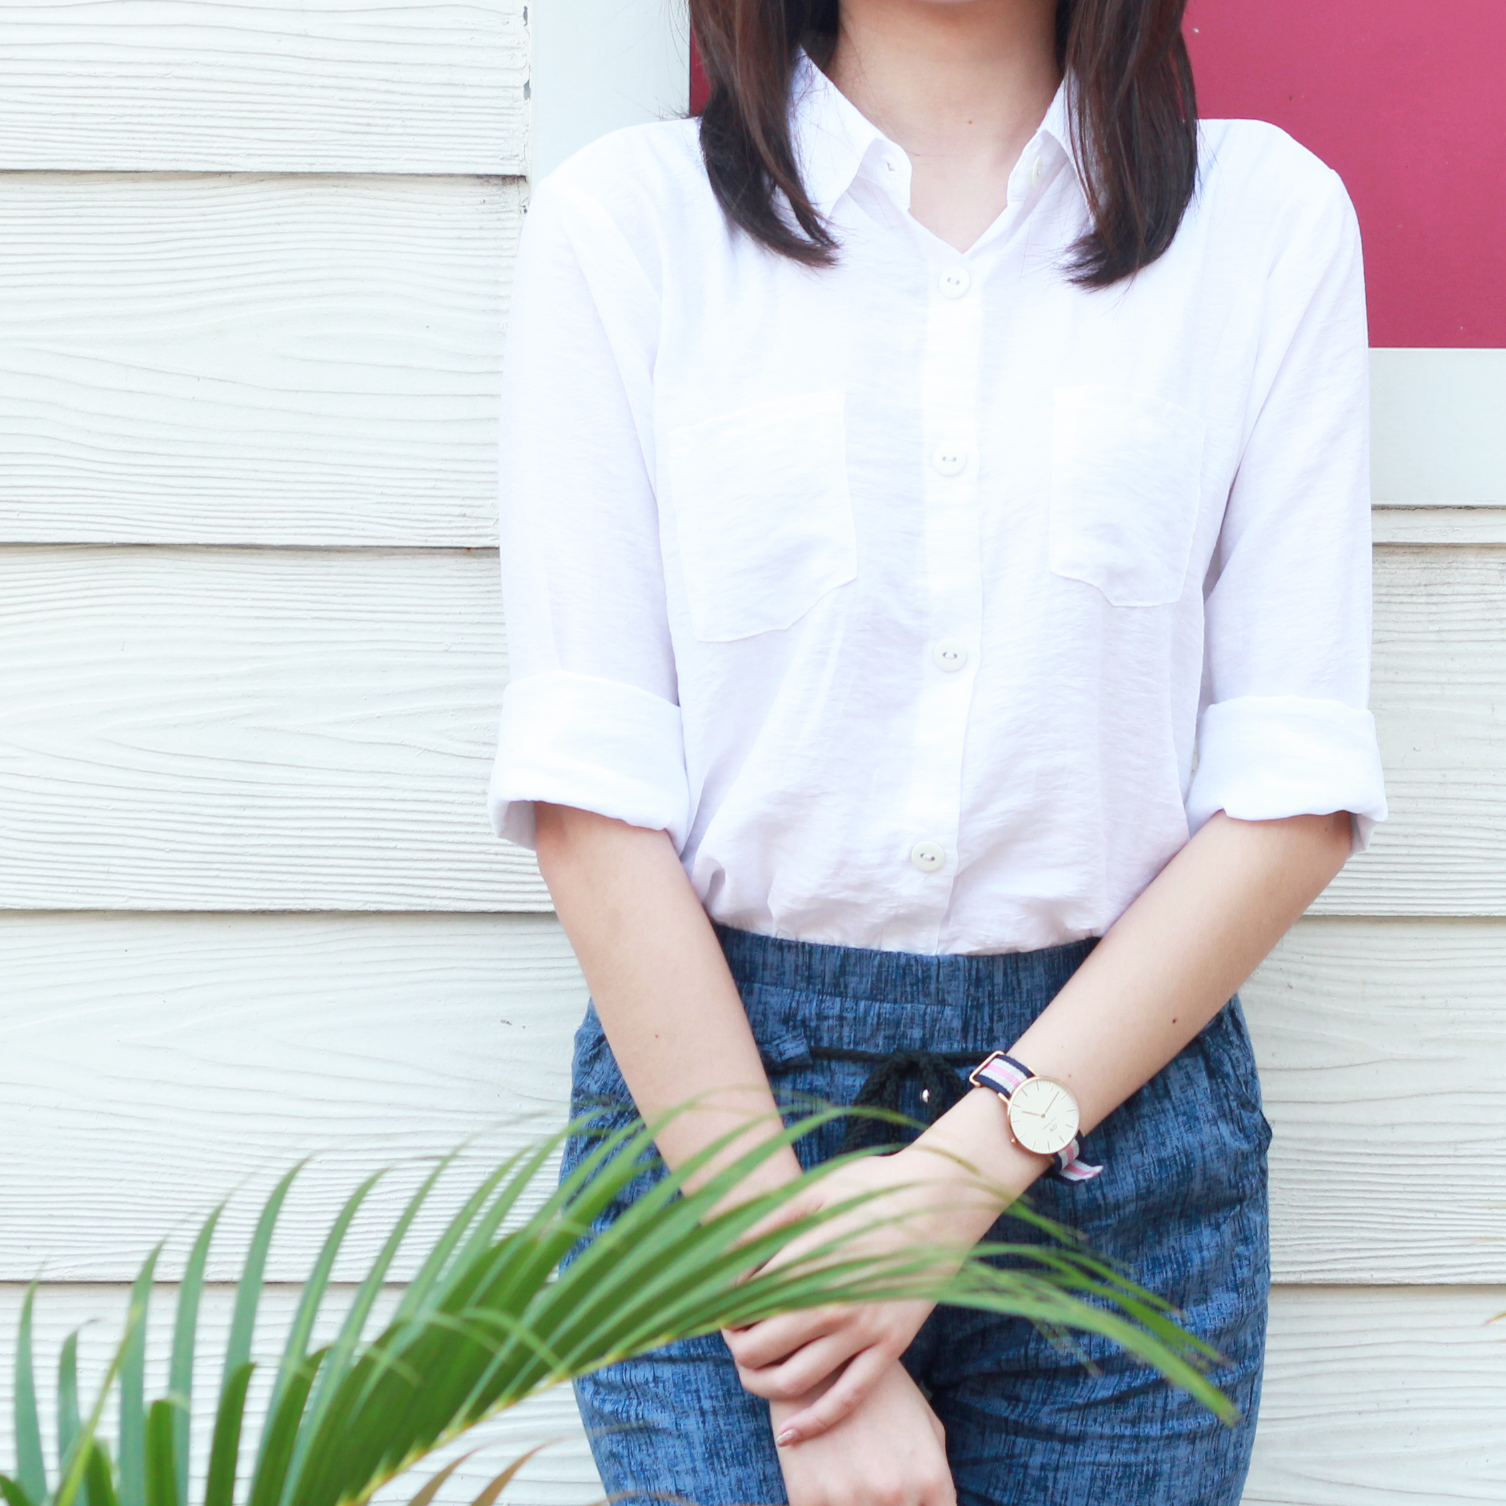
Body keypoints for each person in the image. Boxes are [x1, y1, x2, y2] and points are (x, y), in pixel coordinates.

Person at [487, 0, 1387, 1501]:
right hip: (724, 1129)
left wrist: (966, 1169)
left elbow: (1288, 791)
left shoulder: (1264, 225)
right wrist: (803, 1321)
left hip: (1110, 1118)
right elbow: (592, 798)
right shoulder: (625, 228)